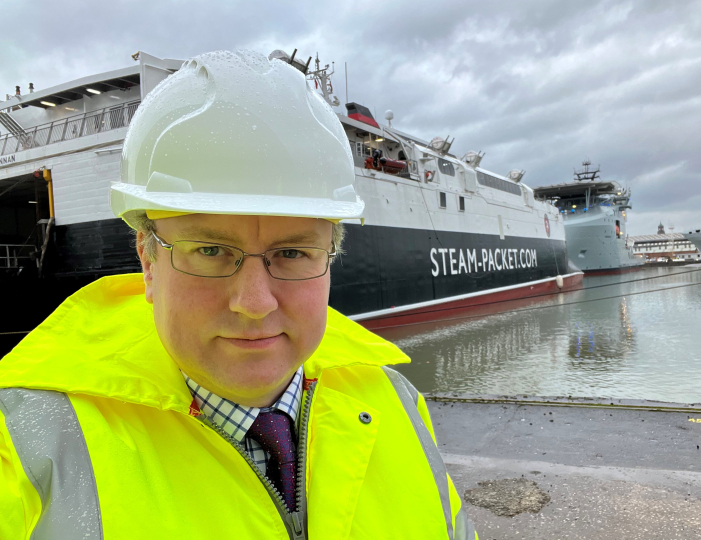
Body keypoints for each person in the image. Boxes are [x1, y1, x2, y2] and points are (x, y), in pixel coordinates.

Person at [0, 50, 476, 540]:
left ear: (330, 257)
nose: (255, 302)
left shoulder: (398, 403)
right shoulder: (26, 442)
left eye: (293, 253)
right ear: (147, 259)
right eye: (209, 250)